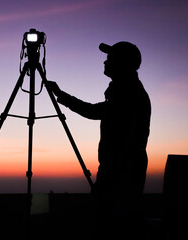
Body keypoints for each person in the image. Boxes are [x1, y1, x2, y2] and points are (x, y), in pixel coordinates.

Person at [47, 41, 151, 239]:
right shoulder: (125, 92)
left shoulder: (129, 94)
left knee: (115, 228)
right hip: (121, 170)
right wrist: (61, 94)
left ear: (122, 63)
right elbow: (96, 111)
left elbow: (100, 117)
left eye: (110, 58)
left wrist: (107, 178)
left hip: (121, 173)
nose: (105, 62)